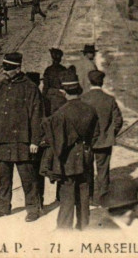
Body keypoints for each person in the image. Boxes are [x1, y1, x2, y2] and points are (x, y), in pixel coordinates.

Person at [0, 52, 44, 222]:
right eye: (4, 67)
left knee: (28, 177)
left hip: (21, 141)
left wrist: (35, 140)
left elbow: (36, 115)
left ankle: (33, 208)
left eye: (9, 69)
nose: (5, 71)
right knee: (4, 177)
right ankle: (3, 207)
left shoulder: (30, 88)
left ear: (18, 69)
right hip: (1, 139)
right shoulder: (1, 86)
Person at [41, 69, 99, 230]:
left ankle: (64, 228)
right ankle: (83, 225)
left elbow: (58, 143)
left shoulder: (61, 113)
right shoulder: (90, 110)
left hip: (69, 160)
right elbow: (96, 135)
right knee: (84, 193)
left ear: (63, 92)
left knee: (67, 195)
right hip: (86, 156)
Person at [81, 70, 123, 207]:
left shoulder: (83, 98)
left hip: (86, 142)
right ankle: (103, 198)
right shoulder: (109, 99)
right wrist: (110, 134)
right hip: (104, 142)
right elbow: (118, 121)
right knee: (103, 171)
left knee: (87, 170)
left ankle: (89, 198)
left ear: (89, 82)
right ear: (102, 82)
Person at [42, 48, 68, 116]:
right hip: (61, 97)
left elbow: (45, 87)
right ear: (60, 59)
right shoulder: (64, 69)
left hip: (50, 98)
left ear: (52, 59)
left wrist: (43, 98)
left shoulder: (48, 70)